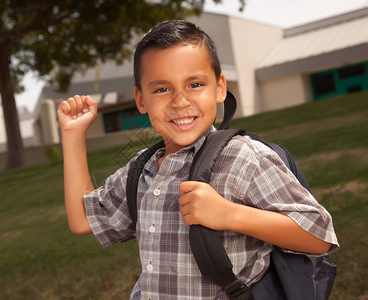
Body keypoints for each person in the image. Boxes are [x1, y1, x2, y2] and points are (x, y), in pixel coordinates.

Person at [57, 20, 339, 299]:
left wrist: (230, 214)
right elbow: (83, 220)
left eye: (194, 84)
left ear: (219, 88)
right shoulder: (141, 171)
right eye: (162, 89)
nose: (180, 101)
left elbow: (319, 235)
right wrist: (72, 136)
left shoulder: (243, 158)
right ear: (141, 99)